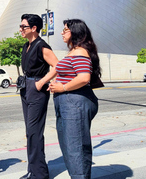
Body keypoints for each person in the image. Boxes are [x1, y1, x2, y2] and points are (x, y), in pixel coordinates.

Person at [48, 19, 100, 179]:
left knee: (75, 147)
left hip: (75, 102)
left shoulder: (80, 52)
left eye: (65, 30)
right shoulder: (74, 51)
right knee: (69, 147)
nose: (62, 33)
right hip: (67, 102)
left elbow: (84, 78)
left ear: (75, 33)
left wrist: (63, 87)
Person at [19, 14, 59, 179]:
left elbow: (58, 66)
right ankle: (33, 170)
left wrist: (41, 82)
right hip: (25, 88)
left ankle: (40, 174)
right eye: (21, 26)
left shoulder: (42, 46)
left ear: (34, 28)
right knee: (30, 132)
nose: (20, 29)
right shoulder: (26, 46)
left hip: (37, 90)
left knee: (34, 131)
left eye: (23, 27)